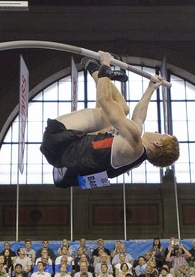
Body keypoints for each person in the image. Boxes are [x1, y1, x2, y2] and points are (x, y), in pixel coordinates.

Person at [41, 51, 179, 188]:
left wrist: (105, 64)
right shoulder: (136, 158)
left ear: (158, 143)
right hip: (63, 157)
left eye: (161, 134)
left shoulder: (134, 138)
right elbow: (138, 117)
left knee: (111, 111)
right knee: (121, 110)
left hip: (60, 139)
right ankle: (94, 68)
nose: (157, 131)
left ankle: (96, 69)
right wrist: (150, 89)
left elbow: (104, 99)